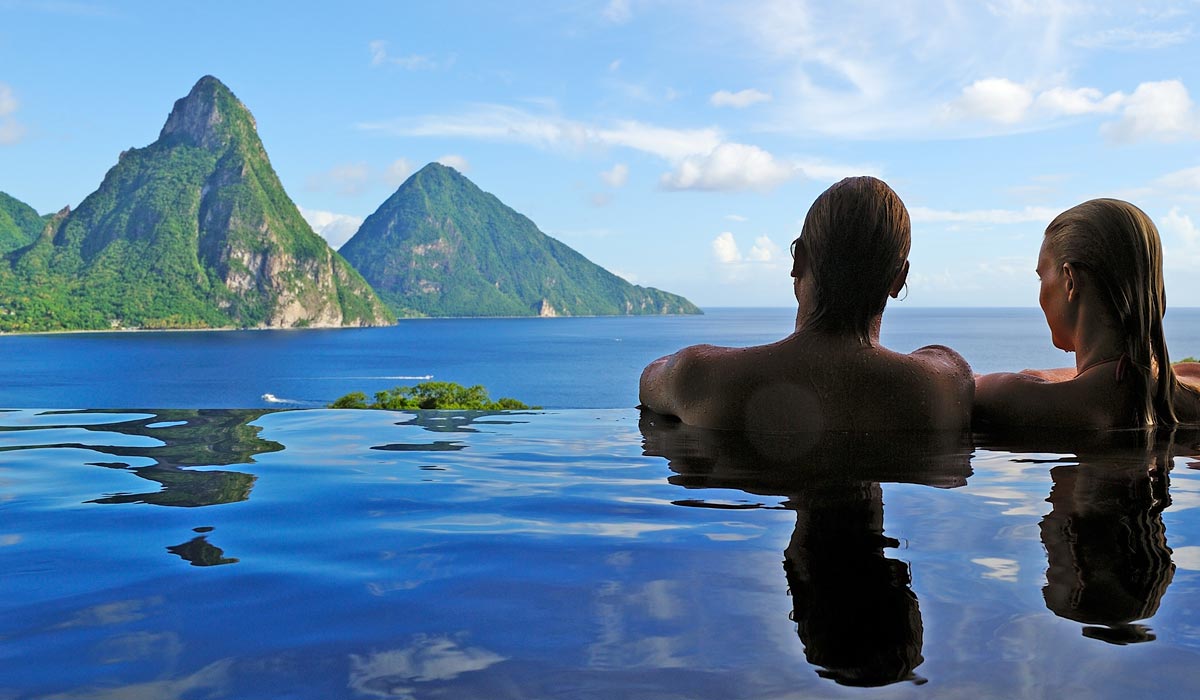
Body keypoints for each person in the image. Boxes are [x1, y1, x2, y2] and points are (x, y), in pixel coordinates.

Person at [638, 176, 973, 433]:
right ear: (898, 280)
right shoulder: (945, 385)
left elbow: (651, 379)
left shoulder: (698, 375)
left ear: (799, 259)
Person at [974, 198, 1200, 430]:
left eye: (1041, 277)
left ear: (1070, 282)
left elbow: (953, 381)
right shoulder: (1191, 392)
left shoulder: (1016, 398)